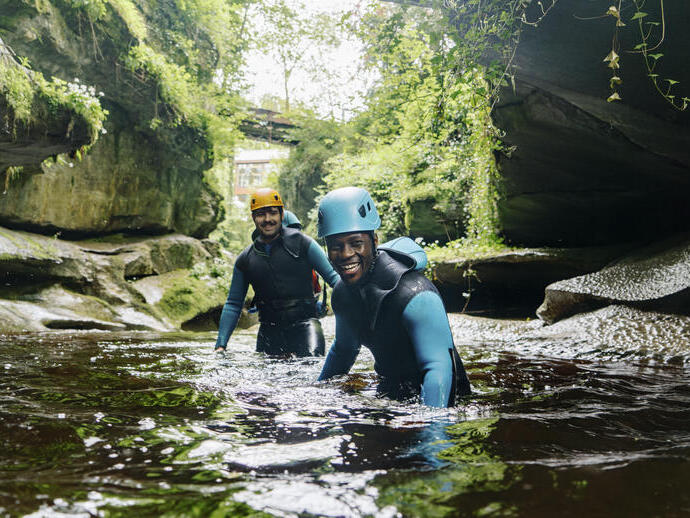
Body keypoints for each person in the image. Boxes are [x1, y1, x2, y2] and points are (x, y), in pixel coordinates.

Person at [316, 186, 472, 407]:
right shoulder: (343, 294)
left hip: (445, 397)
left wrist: (434, 434)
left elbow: (437, 368)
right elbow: (343, 350)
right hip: (391, 393)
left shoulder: (415, 294)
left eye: (356, 243)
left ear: (375, 241)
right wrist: (318, 395)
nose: (346, 254)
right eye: (335, 247)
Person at [214, 188, 339, 356]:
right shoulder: (245, 259)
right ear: (253, 218)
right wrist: (220, 345)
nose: (267, 219)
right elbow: (233, 304)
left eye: (272, 213)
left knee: (310, 373)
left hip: (306, 325)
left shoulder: (303, 244)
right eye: (260, 214)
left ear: (281, 214)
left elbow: (334, 280)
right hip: (269, 332)